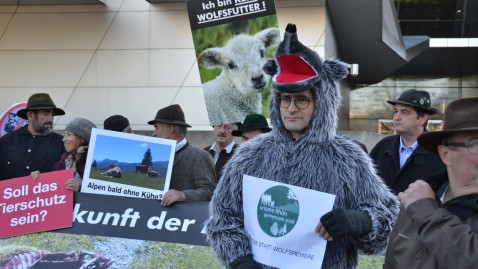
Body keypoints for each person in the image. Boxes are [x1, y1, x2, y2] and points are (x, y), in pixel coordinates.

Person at [206, 24, 399, 269]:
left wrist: (362, 221)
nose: (291, 108)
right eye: (284, 99)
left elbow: (387, 217)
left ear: (321, 102)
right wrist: (240, 260)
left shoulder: (349, 159)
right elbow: (223, 218)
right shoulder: (249, 157)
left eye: (302, 100)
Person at [384, 97, 478, 268]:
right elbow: (391, 263)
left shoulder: (419, 204)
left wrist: (426, 212)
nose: (397, 117)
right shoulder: (415, 200)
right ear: (446, 155)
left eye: (405, 112)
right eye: (476, 144)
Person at [370, 89, 446, 194]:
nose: (397, 117)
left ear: (423, 118)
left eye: (405, 112)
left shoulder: (437, 152)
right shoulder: (383, 146)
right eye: (396, 111)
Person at [148, 104, 216, 206]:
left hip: (181, 220)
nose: (154, 134)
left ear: (170, 129)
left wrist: (183, 195)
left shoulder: (200, 156)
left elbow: (209, 192)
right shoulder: (155, 154)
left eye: (156, 128)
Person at [0, 93, 66, 180]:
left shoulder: (61, 142)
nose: (51, 119)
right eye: (46, 114)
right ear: (30, 115)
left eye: (52, 115)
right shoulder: (6, 142)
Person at [32, 117, 96, 192]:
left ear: (82, 138)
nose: (63, 139)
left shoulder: (91, 163)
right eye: (64, 134)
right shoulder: (63, 161)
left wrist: (80, 189)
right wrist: (39, 179)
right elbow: (52, 185)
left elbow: (102, 191)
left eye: (69, 135)